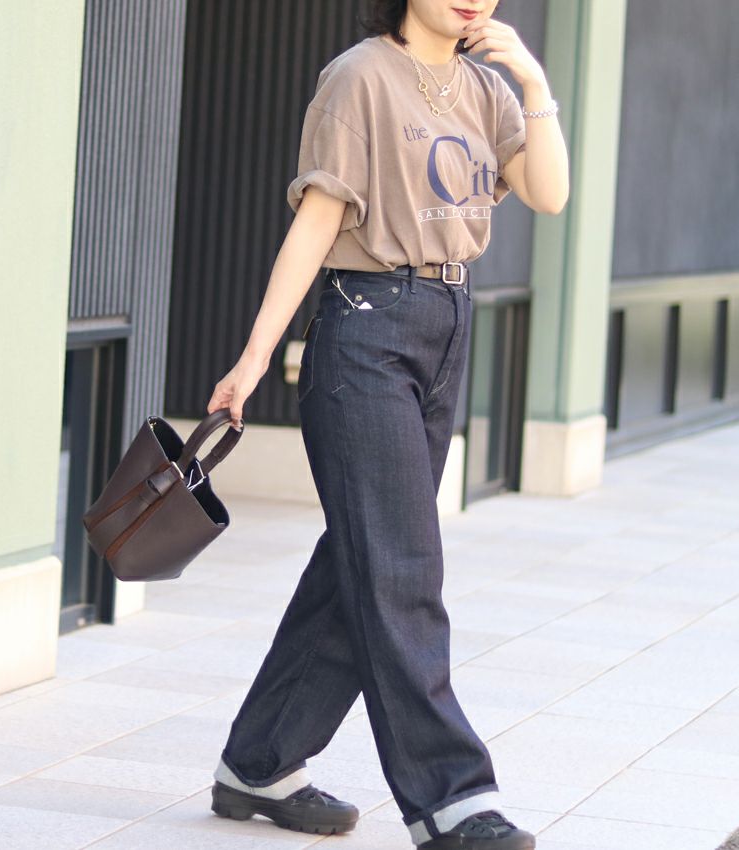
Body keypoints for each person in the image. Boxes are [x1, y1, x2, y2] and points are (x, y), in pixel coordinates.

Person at [205, 1, 568, 847]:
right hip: (366, 329)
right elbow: (318, 219)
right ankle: (452, 798)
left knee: (361, 560)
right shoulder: (360, 76)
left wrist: (532, 80)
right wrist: (256, 356)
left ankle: (258, 761)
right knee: (401, 565)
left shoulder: (487, 89)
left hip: (447, 323)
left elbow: (548, 193)